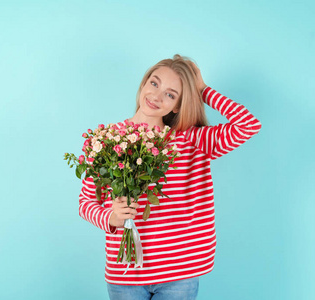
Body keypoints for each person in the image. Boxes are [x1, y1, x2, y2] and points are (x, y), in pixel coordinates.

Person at [78, 54, 262, 300]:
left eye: (171, 94)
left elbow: (248, 125)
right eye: (154, 83)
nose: (156, 96)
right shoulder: (104, 141)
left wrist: (202, 90)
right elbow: (86, 202)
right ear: (144, 84)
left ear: (178, 105)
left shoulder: (191, 140)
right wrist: (111, 218)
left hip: (180, 272)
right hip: (126, 273)